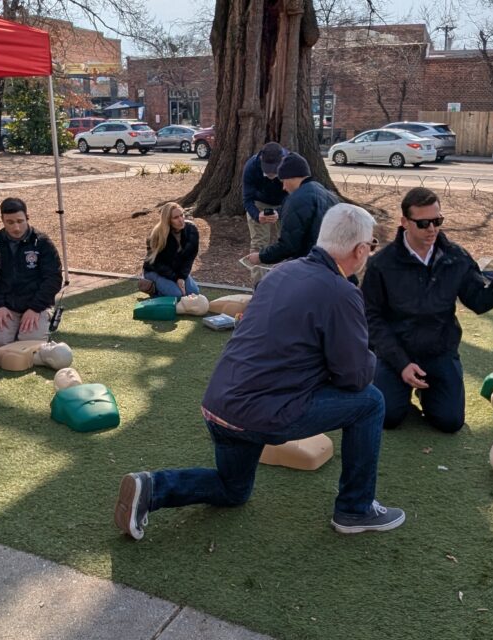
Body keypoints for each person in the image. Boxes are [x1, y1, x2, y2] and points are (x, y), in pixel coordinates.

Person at [115, 204, 406, 539]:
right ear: (359, 250)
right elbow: (355, 377)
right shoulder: (342, 293)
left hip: (219, 406)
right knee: (371, 401)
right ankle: (356, 509)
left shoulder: (281, 272)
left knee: (233, 490)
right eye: (371, 246)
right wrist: (366, 354)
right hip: (262, 413)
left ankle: (151, 488)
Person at [361, 187, 493, 433]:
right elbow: (371, 318)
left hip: (439, 351)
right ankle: (391, 386)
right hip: (396, 354)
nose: (432, 228)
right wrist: (401, 363)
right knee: (387, 418)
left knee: (450, 422)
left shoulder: (456, 258)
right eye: (423, 223)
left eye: (437, 221)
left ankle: (425, 392)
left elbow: (479, 300)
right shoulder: (382, 263)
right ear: (405, 223)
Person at [0, 198, 63, 348]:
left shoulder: (42, 242)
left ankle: (43, 319)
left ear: (27, 217)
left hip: (36, 304)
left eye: (20, 221)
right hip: (7, 305)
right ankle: (7, 326)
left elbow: (53, 278)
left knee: (30, 345)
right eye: (10, 222)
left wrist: (36, 308)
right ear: (2, 220)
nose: (16, 227)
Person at [245, 153, 340, 268]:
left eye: (283, 181)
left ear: (291, 177)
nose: (284, 187)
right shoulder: (325, 192)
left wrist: (261, 256)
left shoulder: (297, 199)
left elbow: (288, 245)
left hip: (310, 267)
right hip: (329, 260)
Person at [241, 142, 288, 283]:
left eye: (275, 172)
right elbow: (247, 199)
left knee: (289, 244)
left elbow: (295, 195)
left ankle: (287, 285)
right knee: (258, 245)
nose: (271, 176)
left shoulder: (291, 164)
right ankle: (259, 287)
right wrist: (257, 215)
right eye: (268, 171)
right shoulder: (251, 167)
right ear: (261, 159)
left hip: (286, 203)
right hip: (259, 203)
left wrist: (279, 212)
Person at [140, 202, 201, 298]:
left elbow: (189, 258)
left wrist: (182, 277)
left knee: (194, 293)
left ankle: (169, 288)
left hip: (177, 270)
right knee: (176, 295)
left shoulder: (192, 230)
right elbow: (157, 263)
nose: (181, 220)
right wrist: (176, 278)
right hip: (155, 270)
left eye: (182, 215)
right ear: (168, 220)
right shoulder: (156, 234)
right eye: (176, 218)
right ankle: (152, 288)